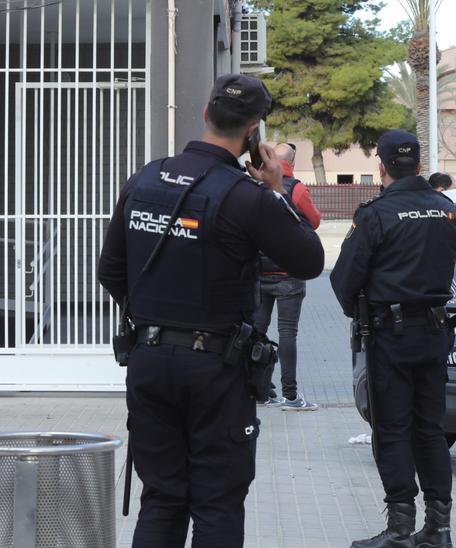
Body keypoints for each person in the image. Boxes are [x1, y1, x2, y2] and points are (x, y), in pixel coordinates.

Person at [97, 73, 324, 548]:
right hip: (215, 369)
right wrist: (278, 191)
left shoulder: (143, 178)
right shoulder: (247, 196)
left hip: (149, 359)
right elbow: (309, 259)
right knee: (217, 503)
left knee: (161, 498)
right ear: (254, 130)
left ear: (205, 113)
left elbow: (110, 271)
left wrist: (155, 316)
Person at [331, 130, 456, 548]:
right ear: (419, 165)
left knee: (392, 429)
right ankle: (439, 528)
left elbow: (343, 281)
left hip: (391, 335)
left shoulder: (376, 215)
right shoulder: (447, 211)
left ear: (382, 166)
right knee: (430, 429)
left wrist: (363, 311)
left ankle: (401, 529)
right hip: (435, 333)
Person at [254, 142, 323, 410]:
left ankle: (259, 390)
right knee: (287, 333)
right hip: (289, 274)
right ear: (291, 163)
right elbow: (314, 221)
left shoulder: (256, 187)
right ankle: (291, 395)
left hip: (260, 273)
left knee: (257, 332)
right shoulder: (296, 188)